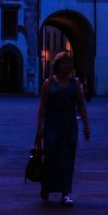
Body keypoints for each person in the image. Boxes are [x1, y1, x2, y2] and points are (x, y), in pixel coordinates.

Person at [35, 51, 90, 206]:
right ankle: (46, 188)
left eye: (69, 63)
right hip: (52, 125)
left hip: (69, 126)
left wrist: (86, 124)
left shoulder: (75, 83)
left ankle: (65, 192)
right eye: (64, 63)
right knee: (51, 158)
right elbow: (42, 107)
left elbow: (81, 105)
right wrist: (39, 129)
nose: (67, 66)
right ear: (57, 65)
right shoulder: (48, 83)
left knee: (68, 158)